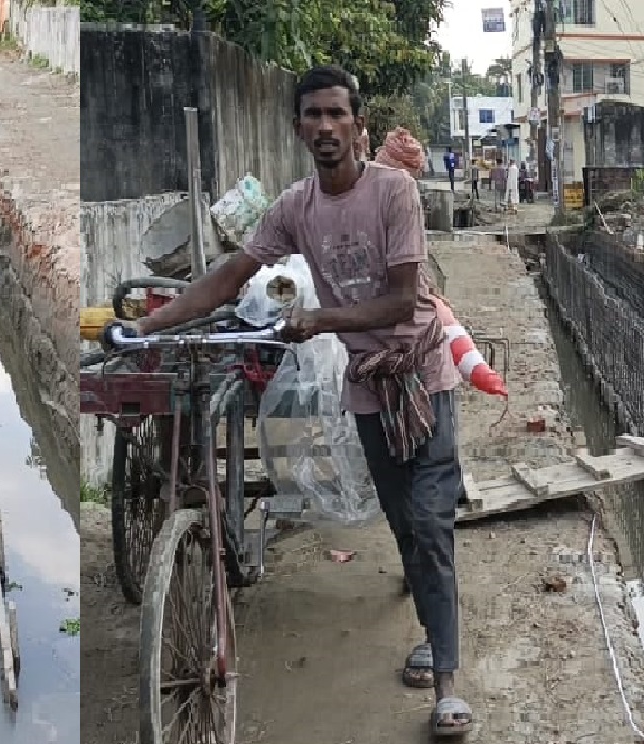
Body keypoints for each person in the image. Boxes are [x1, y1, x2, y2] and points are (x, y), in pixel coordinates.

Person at [101, 64, 474, 737]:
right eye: (313, 117)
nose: (326, 128)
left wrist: (319, 320)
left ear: (359, 125)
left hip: (421, 380)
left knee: (428, 524)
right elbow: (232, 274)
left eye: (338, 115)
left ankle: (446, 681)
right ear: (299, 128)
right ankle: (429, 614)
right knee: (401, 519)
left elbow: (400, 299)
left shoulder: (394, 194)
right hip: (365, 390)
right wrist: (148, 325)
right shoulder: (296, 206)